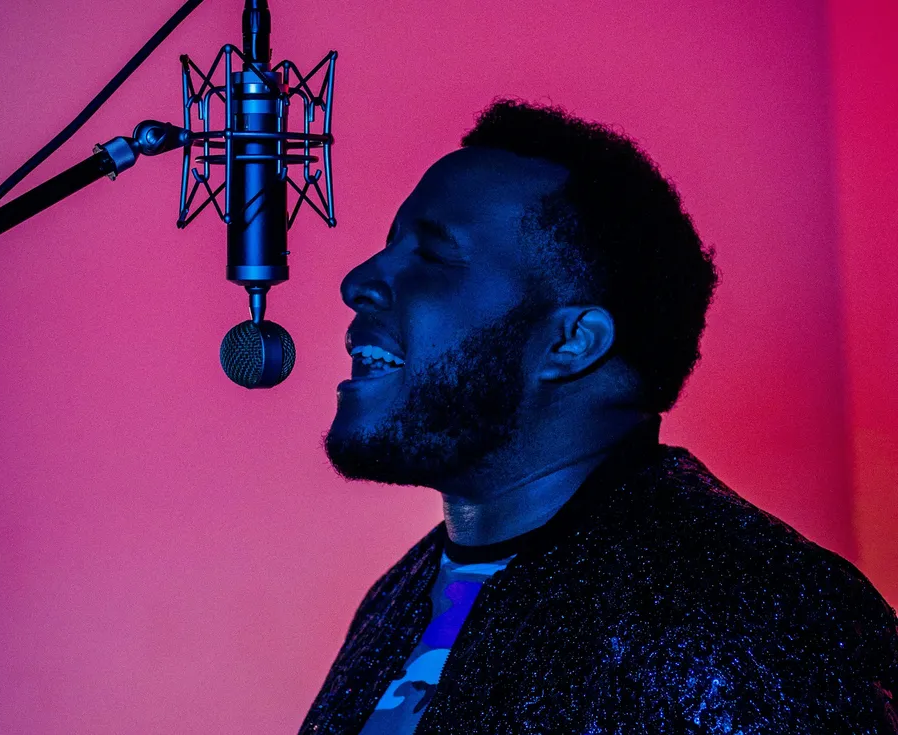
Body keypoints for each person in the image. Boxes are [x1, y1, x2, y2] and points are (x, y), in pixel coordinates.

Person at [301, 100, 898, 734]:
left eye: (434, 255)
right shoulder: (394, 601)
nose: (359, 280)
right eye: (388, 246)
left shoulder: (767, 620)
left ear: (571, 342)